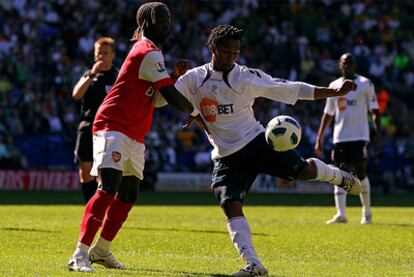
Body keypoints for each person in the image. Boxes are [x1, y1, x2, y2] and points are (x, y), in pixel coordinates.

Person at [176, 25, 362, 277]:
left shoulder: (246, 77)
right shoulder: (193, 79)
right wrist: (176, 87)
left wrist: (334, 92)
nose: (232, 56)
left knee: (304, 172)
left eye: (236, 52)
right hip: (226, 154)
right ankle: (254, 265)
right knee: (229, 203)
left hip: (256, 141)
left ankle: (340, 177)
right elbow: (163, 99)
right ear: (212, 49)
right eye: (226, 50)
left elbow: (291, 88)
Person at [67, 2, 200, 273]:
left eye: (169, 20)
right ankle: (79, 253)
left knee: (128, 194)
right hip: (113, 125)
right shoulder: (147, 51)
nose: (168, 26)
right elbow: (173, 97)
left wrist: (174, 77)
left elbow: (159, 100)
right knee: (108, 187)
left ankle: (101, 250)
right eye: (163, 21)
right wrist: (196, 111)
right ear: (149, 21)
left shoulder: (153, 54)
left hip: (134, 131)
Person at [315, 53, 381, 225]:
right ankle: (341, 214)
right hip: (340, 137)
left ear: (355, 65)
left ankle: (367, 214)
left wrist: (378, 134)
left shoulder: (366, 84)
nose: (347, 66)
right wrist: (320, 137)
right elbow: (328, 113)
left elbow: (375, 110)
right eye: (344, 63)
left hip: (360, 136)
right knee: (339, 174)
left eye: (350, 63)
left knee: (361, 172)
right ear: (339, 65)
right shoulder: (334, 85)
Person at [72, 37, 118, 202]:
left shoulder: (117, 77)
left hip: (108, 129)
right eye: (98, 52)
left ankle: (101, 210)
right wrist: (92, 74)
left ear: (113, 55)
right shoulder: (89, 75)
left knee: (102, 173)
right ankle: (90, 208)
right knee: (85, 170)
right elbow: (76, 94)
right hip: (87, 126)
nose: (101, 56)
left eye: (105, 53)